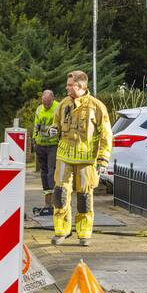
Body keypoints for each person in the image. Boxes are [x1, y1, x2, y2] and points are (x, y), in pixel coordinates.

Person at [51, 70, 112, 247]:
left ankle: (84, 234)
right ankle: (61, 231)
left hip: (86, 160)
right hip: (64, 157)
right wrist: (53, 130)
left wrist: (102, 160)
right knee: (60, 194)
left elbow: (106, 135)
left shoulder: (96, 106)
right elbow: (56, 125)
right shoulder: (63, 105)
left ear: (80, 86)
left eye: (70, 85)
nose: (67, 87)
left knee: (85, 197)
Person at [31, 89, 60, 216]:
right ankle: (47, 203)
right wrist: (34, 140)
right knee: (44, 173)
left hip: (53, 145)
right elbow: (36, 125)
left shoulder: (58, 108)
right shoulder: (39, 109)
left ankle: (54, 203)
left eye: (48, 103)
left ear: (52, 99)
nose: (46, 106)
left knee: (51, 172)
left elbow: (61, 125)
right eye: (44, 103)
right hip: (40, 145)